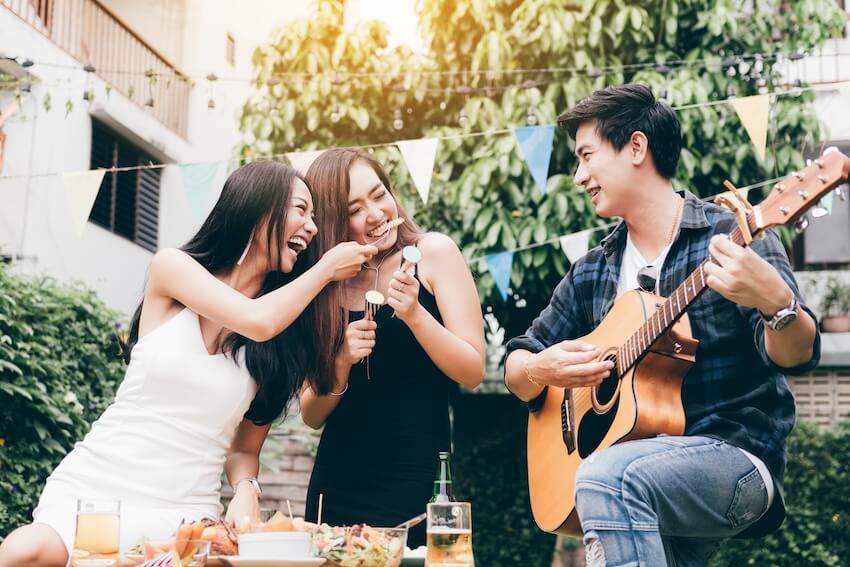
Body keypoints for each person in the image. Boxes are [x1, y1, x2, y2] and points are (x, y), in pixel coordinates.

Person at [0, 161, 377, 567]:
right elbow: (257, 320)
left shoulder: (282, 341)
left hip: (184, 513)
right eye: (301, 210)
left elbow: (245, 449)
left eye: (315, 217)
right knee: (24, 551)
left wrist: (247, 487)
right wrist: (324, 270)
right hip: (97, 488)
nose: (312, 227)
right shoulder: (173, 270)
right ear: (258, 205)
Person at [504, 84, 821, 566]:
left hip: (734, 459)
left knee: (604, 477)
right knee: (611, 488)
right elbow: (517, 360)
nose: (578, 176)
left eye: (586, 156)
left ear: (636, 147)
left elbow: (798, 355)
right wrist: (540, 369)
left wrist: (776, 303)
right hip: (632, 476)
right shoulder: (593, 270)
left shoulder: (731, 238)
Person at [298, 148, 486, 547]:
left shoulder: (433, 253)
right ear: (333, 221)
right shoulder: (325, 284)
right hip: (337, 483)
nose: (376, 213)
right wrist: (341, 361)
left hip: (416, 479)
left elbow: (473, 371)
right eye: (355, 208)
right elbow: (310, 415)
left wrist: (416, 315)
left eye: (379, 194)